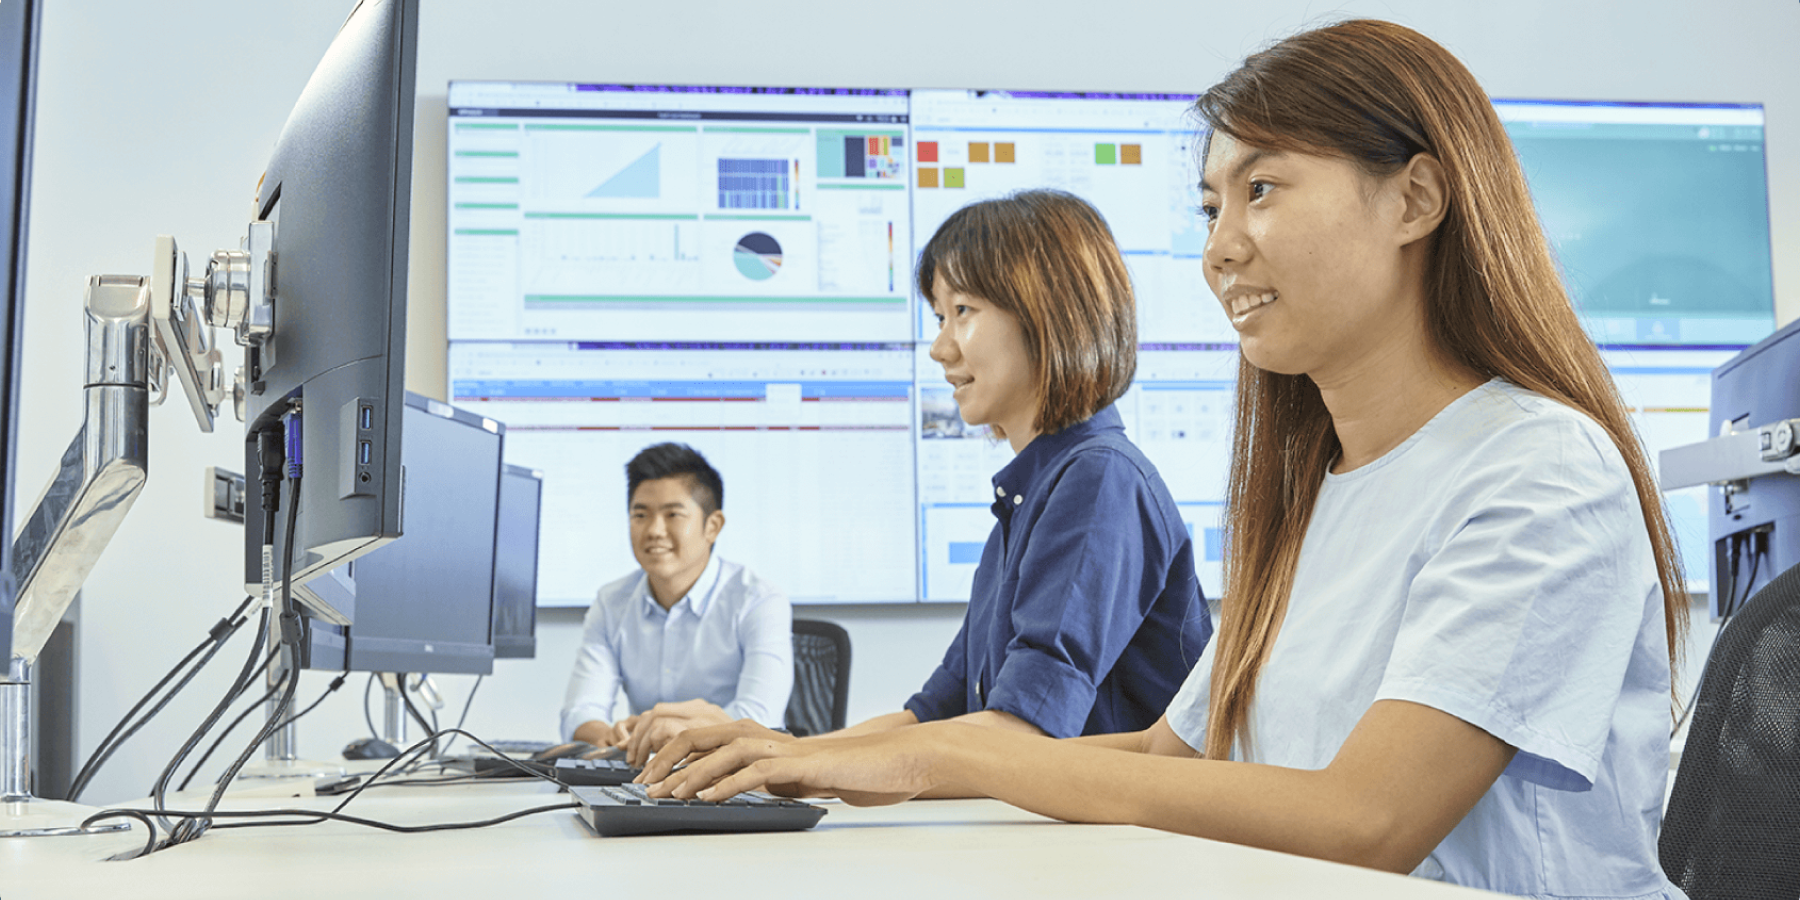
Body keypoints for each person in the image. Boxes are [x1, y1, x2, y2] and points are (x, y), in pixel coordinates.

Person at [640, 20, 1690, 898]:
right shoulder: (1320, 493)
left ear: (1415, 199)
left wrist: (951, 755)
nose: (1220, 246)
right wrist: (817, 761)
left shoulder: (1539, 469)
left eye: (1263, 188)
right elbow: (1172, 753)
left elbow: (1369, 819)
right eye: (1210, 207)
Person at [623, 189, 1211, 768]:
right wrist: (770, 748)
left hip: (1117, 853)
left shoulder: (1100, 480)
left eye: (963, 312)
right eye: (938, 316)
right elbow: (933, 716)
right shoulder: (1034, 493)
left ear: (1047, 311)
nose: (938, 347)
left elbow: (1019, 738)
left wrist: (794, 761)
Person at [560, 442, 792, 757]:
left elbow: (759, 718)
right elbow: (579, 712)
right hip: (644, 779)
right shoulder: (611, 602)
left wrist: (674, 735)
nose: (654, 530)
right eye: (640, 514)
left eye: (673, 514)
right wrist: (610, 735)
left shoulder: (759, 600)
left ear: (713, 526)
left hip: (733, 780)